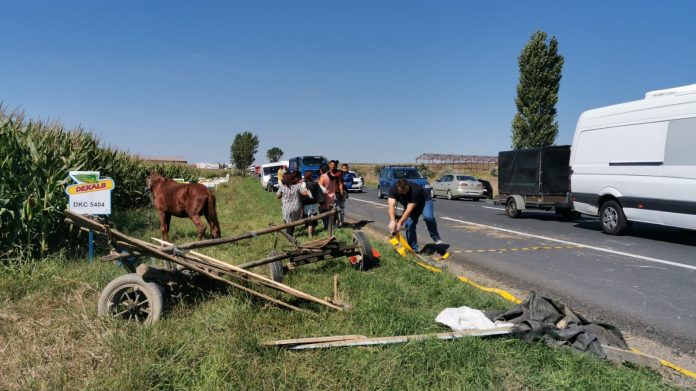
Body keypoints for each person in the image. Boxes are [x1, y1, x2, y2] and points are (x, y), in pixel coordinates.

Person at [387, 178, 442, 252]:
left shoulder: (415, 190)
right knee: (409, 225)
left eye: (405, 191)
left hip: (424, 202)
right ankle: (413, 249)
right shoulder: (393, 188)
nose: (404, 193)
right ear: (397, 188)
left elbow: (409, 210)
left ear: (408, 186)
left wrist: (400, 223)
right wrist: (393, 220)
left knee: (428, 217)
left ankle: (435, 236)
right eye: (401, 192)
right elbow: (391, 205)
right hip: (409, 203)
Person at [277, 171, 303, 236]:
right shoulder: (297, 186)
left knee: (288, 224)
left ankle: (289, 238)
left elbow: (278, 196)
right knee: (293, 222)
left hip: (287, 209)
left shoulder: (282, 187)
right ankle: (291, 235)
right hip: (296, 208)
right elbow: (303, 193)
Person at [300, 171, 324, 237]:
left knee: (309, 221)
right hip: (314, 204)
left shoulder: (303, 184)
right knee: (313, 220)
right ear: (311, 176)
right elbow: (324, 191)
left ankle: (310, 235)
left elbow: (300, 193)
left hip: (306, 205)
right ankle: (312, 234)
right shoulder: (315, 183)